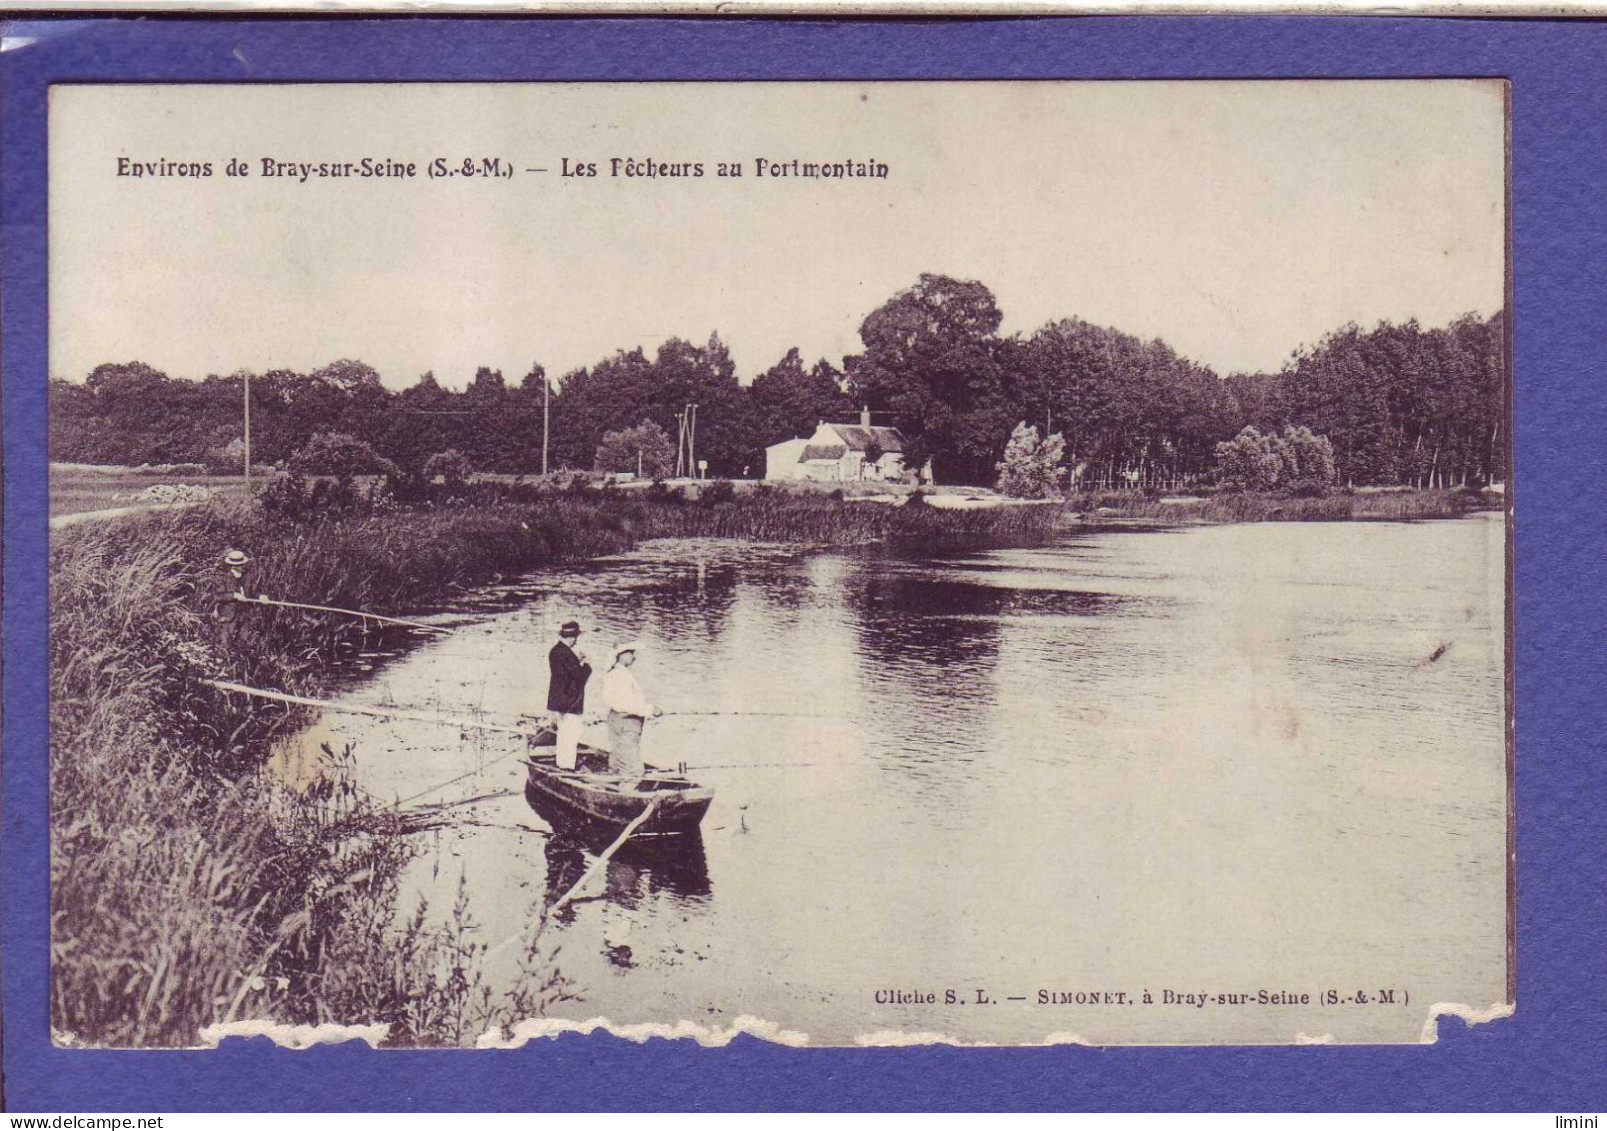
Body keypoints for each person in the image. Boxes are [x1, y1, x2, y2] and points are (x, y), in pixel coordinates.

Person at [601, 641, 661, 780]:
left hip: (616, 719)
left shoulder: (613, 672)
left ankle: (615, 785)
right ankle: (625, 793)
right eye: (631, 653)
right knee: (634, 771)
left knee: (618, 762)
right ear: (621, 655)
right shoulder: (620, 676)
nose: (634, 657)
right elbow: (626, 704)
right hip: (626, 723)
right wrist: (651, 710)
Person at [547, 620, 592, 771]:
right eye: (575, 637)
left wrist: (576, 662)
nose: (576, 641)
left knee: (563, 733)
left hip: (559, 701)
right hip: (571, 702)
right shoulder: (567, 654)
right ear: (572, 637)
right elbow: (579, 677)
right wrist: (586, 665)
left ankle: (562, 763)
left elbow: (564, 676)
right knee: (572, 734)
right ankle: (567, 766)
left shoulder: (555, 651)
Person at [211, 548, 265, 641]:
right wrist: (234, 595)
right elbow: (218, 597)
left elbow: (255, 592)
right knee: (224, 643)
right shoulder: (223, 578)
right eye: (236, 565)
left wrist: (261, 596)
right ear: (231, 565)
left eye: (240, 564)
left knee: (244, 643)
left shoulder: (248, 576)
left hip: (245, 616)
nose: (239, 567)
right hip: (228, 617)